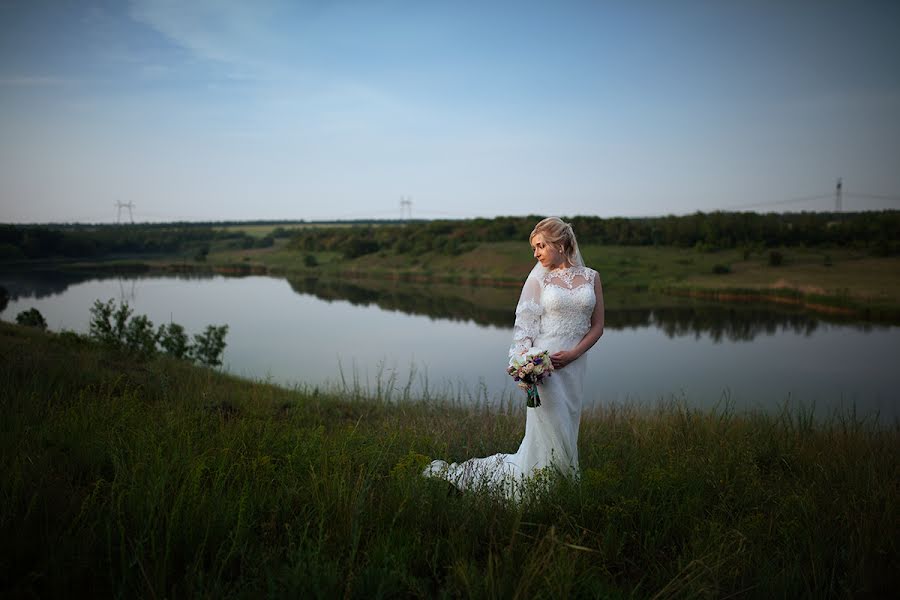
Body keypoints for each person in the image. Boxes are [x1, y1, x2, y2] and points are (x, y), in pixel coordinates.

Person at [423, 217, 605, 498]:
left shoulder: (591, 277)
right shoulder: (539, 279)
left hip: (574, 364)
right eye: (534, 248)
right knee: (549, 425)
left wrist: (574, 354)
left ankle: (561, 484)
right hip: (546, 366)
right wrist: (524, 364)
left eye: (541, 246)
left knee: (568, 423)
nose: (536, 253)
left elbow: (597, 326)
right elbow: (525, 326)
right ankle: (544, 488)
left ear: (560, 243)